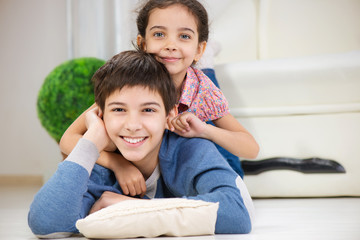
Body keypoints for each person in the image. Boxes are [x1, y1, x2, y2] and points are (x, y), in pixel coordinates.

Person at [28, 50, 254, 238]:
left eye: (148, 110)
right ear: (100, 114)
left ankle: (207, 65)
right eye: (118, 110)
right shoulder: (101, 165)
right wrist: (90, 141)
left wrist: (129, 207)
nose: (132, 125)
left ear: (169, 115)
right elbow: (45, 223)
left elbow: (237, 214)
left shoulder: (191, 149)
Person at [59, 0, 259, 198]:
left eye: (184, 36)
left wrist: (204, 129)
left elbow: (251, 149)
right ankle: (201, 59)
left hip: (191, 141)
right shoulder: (129, 86)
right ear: (143, 43)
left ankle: (207, 63)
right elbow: (68, 141)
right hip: (152, 162)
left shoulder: (203, 90)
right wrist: (119, 164)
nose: (171, 45)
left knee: (234, 175)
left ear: (199, 48)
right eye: (159, 34)